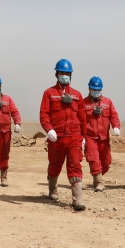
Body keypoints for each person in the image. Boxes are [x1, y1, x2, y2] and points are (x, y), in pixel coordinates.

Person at [39, 59, 86, 211]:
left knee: (75, 165)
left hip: (74, 137)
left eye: (67, 73)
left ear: (70, 75)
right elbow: (44, 114)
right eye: (61, 73)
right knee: (55, 165)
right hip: (56, 138)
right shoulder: (49, 93)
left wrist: (83, 137)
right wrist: (49, 129)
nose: (64, 75)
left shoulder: (77, 95)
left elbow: (82, 118)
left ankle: (77, 199)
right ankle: (53, 188)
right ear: (56, 74)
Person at [83, 76, 120, 192]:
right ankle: (100, 182)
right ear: (89, 89)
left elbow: (114, 116)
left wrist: (116, 126)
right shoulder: (83, 103)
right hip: (90, 137)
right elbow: (79, 121)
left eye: (98, 90)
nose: (96, 92)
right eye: (94, 89)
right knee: (93, 159)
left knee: (106, 162)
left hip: (103, 138)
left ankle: (96, 176)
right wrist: (81, 137)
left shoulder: (108, 102)